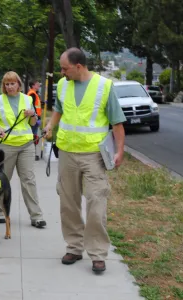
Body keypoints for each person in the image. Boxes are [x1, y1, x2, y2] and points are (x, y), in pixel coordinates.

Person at [44, 48, 126, 273]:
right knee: (68, 203)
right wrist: (51, 125)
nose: (62, 73)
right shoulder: (62, 85)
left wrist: (119, 151)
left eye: (64, 68)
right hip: (67, 153)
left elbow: (117, 123)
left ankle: (98, 253)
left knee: (96, 203)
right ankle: (74, 247)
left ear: (78, 66)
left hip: (94, 156)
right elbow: (59, 110)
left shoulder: (103, 86)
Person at [0, 71, 46, 228]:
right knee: (2, 180)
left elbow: (33, 123)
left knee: (29, 180)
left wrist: (33, 114)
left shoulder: (27, 99)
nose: (10, 86)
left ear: (19, 84)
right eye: (7, 84)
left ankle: (36, 216)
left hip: (26, 145)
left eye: (12, 83)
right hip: (6, 146)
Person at [27, 80, 42, 161]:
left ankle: (32, 153)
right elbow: (32, 107)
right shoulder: (32, 94)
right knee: (34, 136)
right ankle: (32, 154)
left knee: (34, 135)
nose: (39, 85)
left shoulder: (33, 93)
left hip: (34, 118)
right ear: (33, 85)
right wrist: (37, 118)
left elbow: (36, 105)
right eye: (37, 84)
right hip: (34, 118)